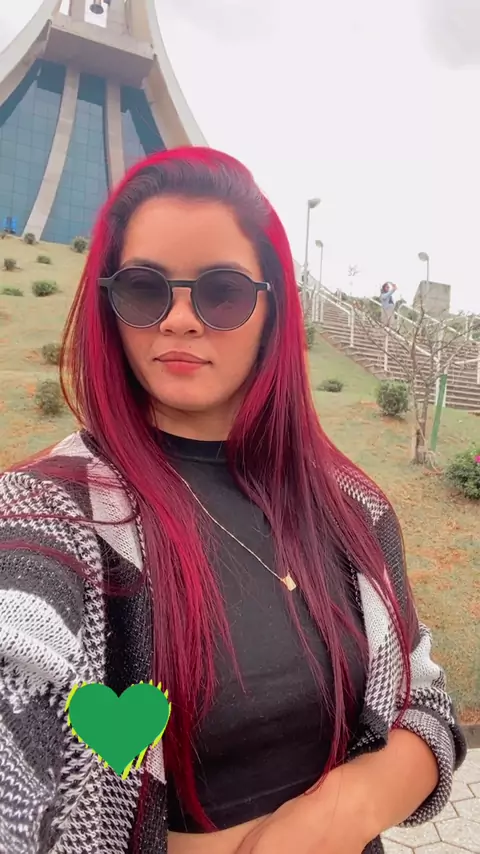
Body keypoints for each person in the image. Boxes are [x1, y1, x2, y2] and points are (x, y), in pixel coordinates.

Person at [0, 148, 466, 854]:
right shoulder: (48, 516)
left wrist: (339, 812)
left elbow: (424, 700)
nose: (179, 320)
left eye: (222, 293)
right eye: (144, 289)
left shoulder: (350, 510)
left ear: (272, 309)